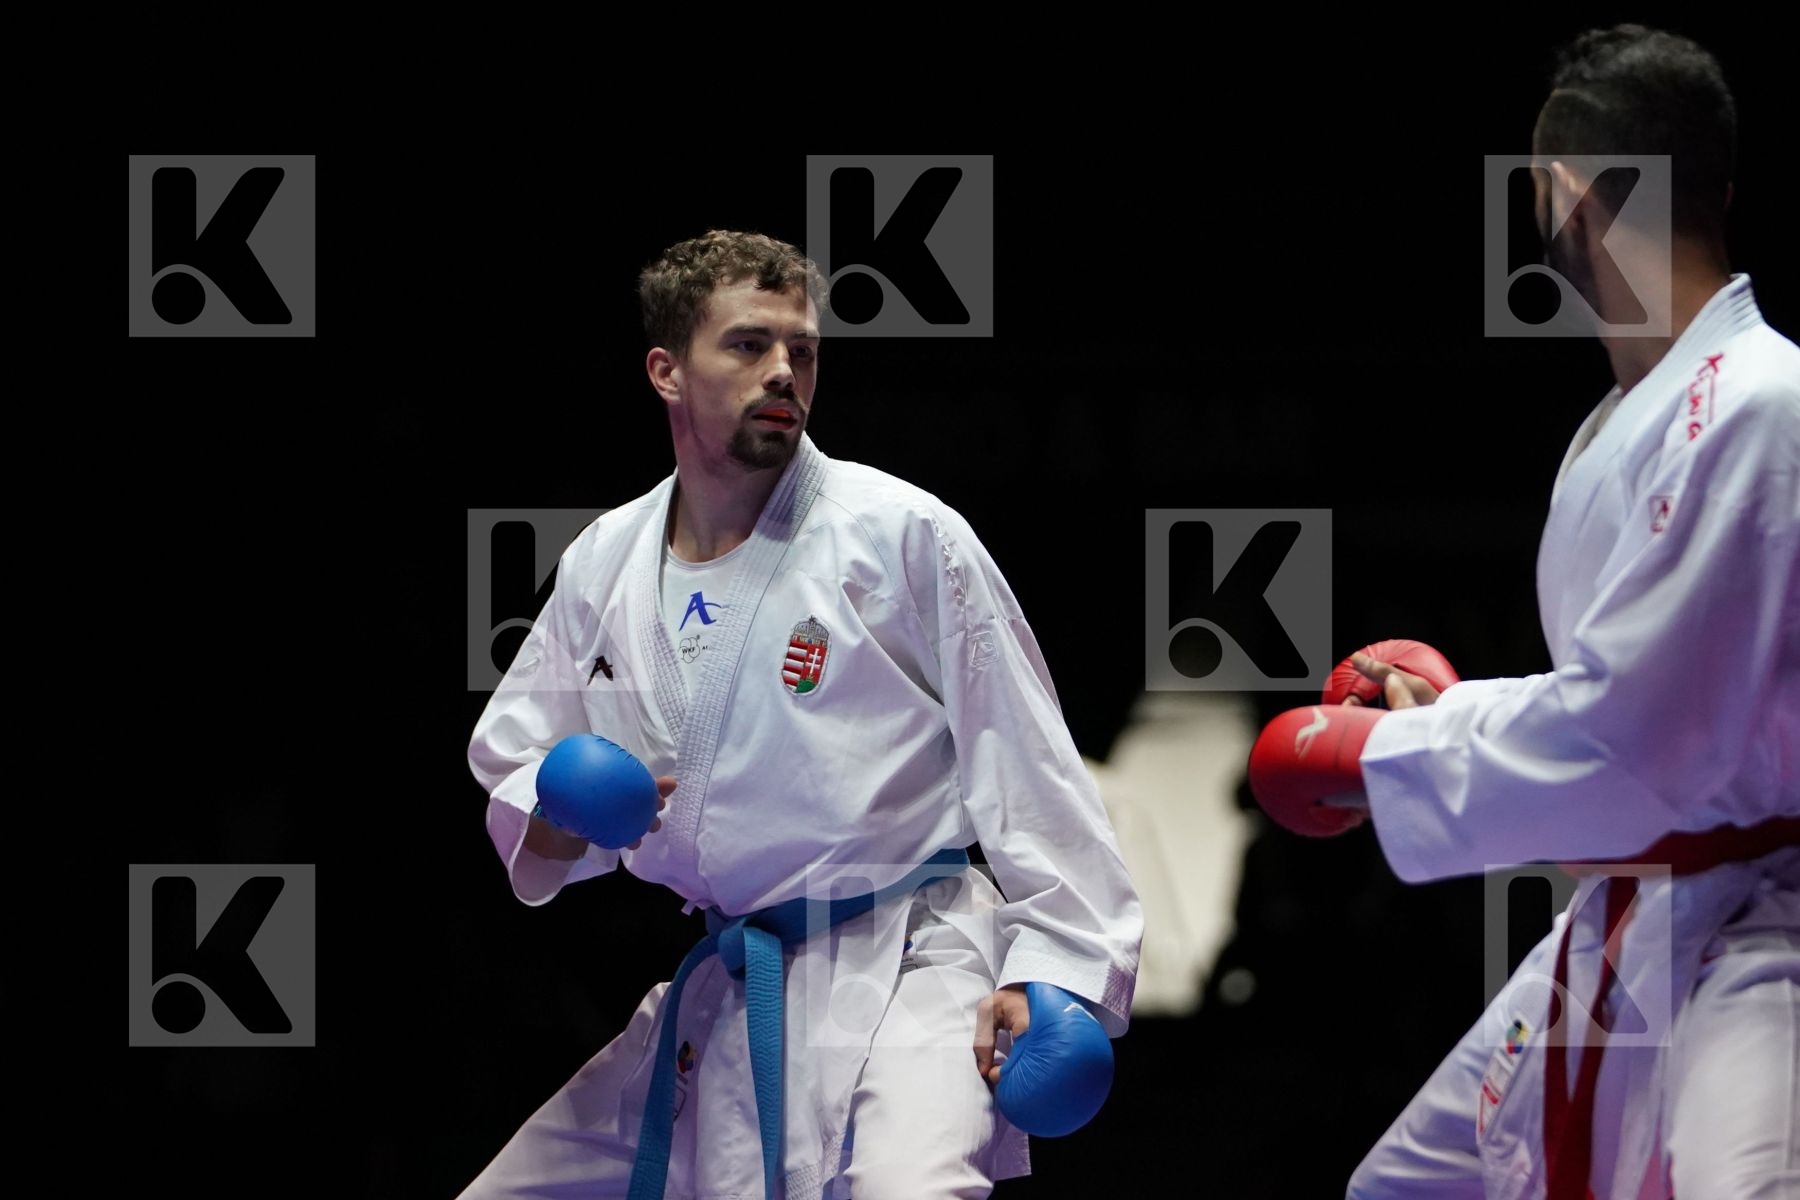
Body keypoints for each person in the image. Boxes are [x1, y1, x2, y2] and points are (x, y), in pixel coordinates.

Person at [459, 229, 1143, 1199]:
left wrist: (1062, 970)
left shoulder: (901, 535)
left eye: (803, 350)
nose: (784, 370)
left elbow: (1028, 760)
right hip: (737, 982)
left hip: (916, 963)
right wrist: (564, 804)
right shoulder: (602, 563)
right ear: (665, 369)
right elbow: (520, 776)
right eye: (748, 345)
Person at [1249, 24, 1797, 1200]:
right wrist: (1451, 712)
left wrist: (1384, 750)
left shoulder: (1763, 405)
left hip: (1765, 938)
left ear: (1572, 201)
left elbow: (1642, 743)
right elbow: (1624, 696)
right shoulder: (1620, 425)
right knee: (1402, 1188)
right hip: (1638, 911)